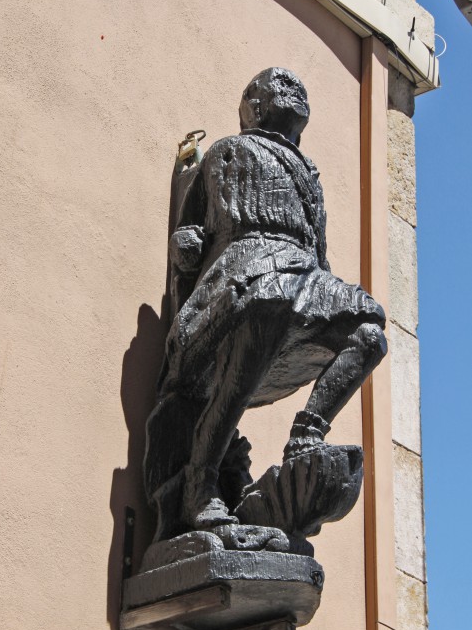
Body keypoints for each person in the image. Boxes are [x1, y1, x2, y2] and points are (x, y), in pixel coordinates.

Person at [144, 67, 387, 541]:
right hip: (245, 266)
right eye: (273, 84)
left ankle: (306, 436)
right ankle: (201, 482)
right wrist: (186, 250)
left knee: (369, 329)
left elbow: (319, 251)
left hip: (303, 273)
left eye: (297, 84)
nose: (291, 85)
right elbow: (189, 236)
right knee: (269, 301)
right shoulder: (225, 151)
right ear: (251, 106)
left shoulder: (309, 174)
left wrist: (324, 294)